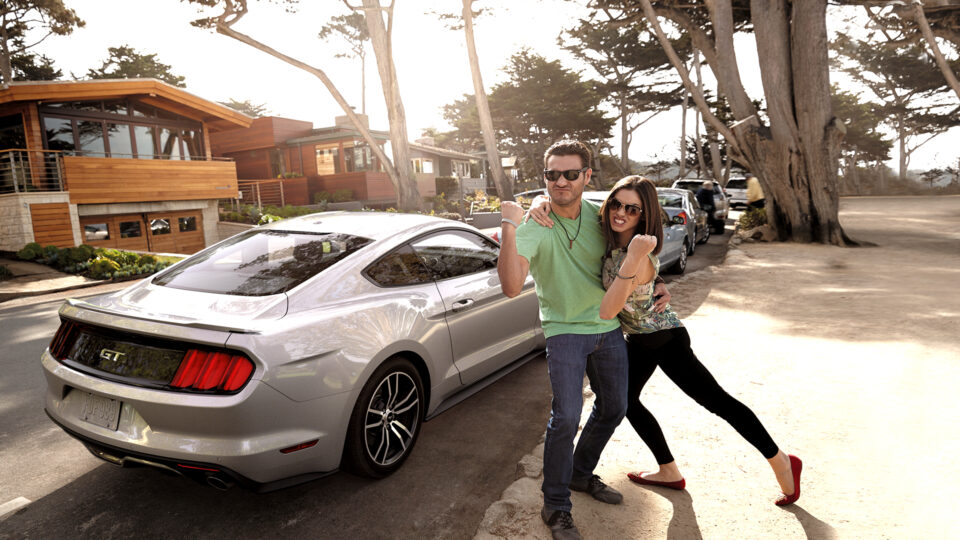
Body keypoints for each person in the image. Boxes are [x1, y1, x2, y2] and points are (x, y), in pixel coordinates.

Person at [528, 175, 803, 507]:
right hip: (641, 338)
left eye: (632, 209)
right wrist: (537, 203)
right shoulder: (613, 240)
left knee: (716, 400)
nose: (621, 213)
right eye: (616, 203)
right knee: (623, 402)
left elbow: (608, 308)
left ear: (644, 215)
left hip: (664, 339)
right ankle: (668, 470)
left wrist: (640, 264)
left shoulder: (636, 252)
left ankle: (781, 461)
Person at [498, 140, 628, 540]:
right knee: (567, 416)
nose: (561, 181)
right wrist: (509, 222)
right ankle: (555, 505)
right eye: (552, 175)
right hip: (564, 330)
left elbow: (637, 253)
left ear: (587, 176)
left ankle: (580, 473)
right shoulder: (535, 225)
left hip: (608, 327)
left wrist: (658, 287)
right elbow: (510, 285)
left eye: (571, 173)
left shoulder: (604, 216)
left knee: (614, 408)